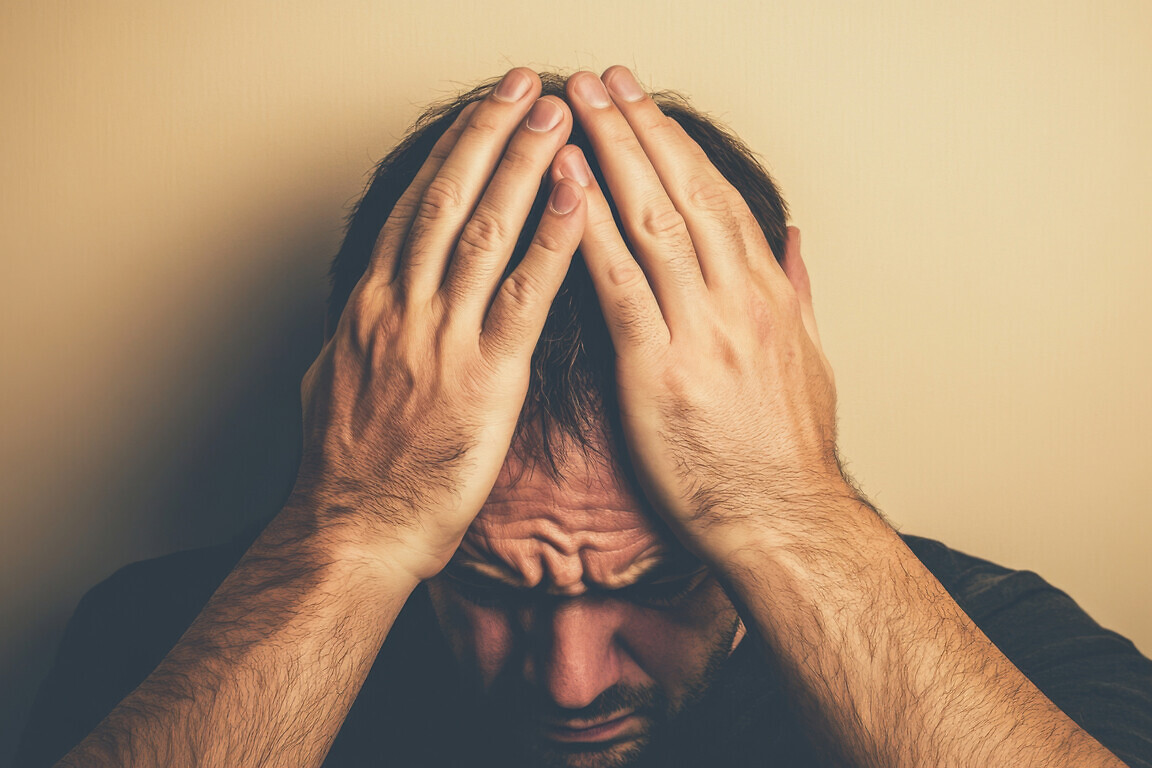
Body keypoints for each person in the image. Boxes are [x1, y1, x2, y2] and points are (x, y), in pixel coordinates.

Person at [15, 66, 1152, 768]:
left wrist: (785, 508)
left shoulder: (1016, 657)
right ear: (359, 393)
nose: (571, 684)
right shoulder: (158, 646)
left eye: (660, 580)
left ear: (785, 352)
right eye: (481, 580)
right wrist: (354, 532)